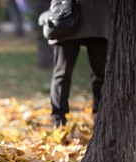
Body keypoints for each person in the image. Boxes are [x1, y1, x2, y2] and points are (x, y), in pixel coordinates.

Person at [45, 0, 111, 128]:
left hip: (96, 17)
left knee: (100, 74)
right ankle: (58, 121)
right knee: (62, 74)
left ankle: (101, 119)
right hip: (66, 14)